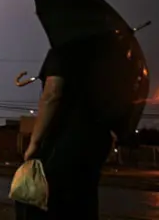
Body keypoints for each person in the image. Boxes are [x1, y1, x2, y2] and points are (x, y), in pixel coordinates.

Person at [16, 39, 113, 220]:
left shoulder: (63, 50)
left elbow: (52, 95)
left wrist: (34, 142)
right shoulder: (109, 59)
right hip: (97, 142)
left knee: (41, 200)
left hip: (63, 141)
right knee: (83, 203)